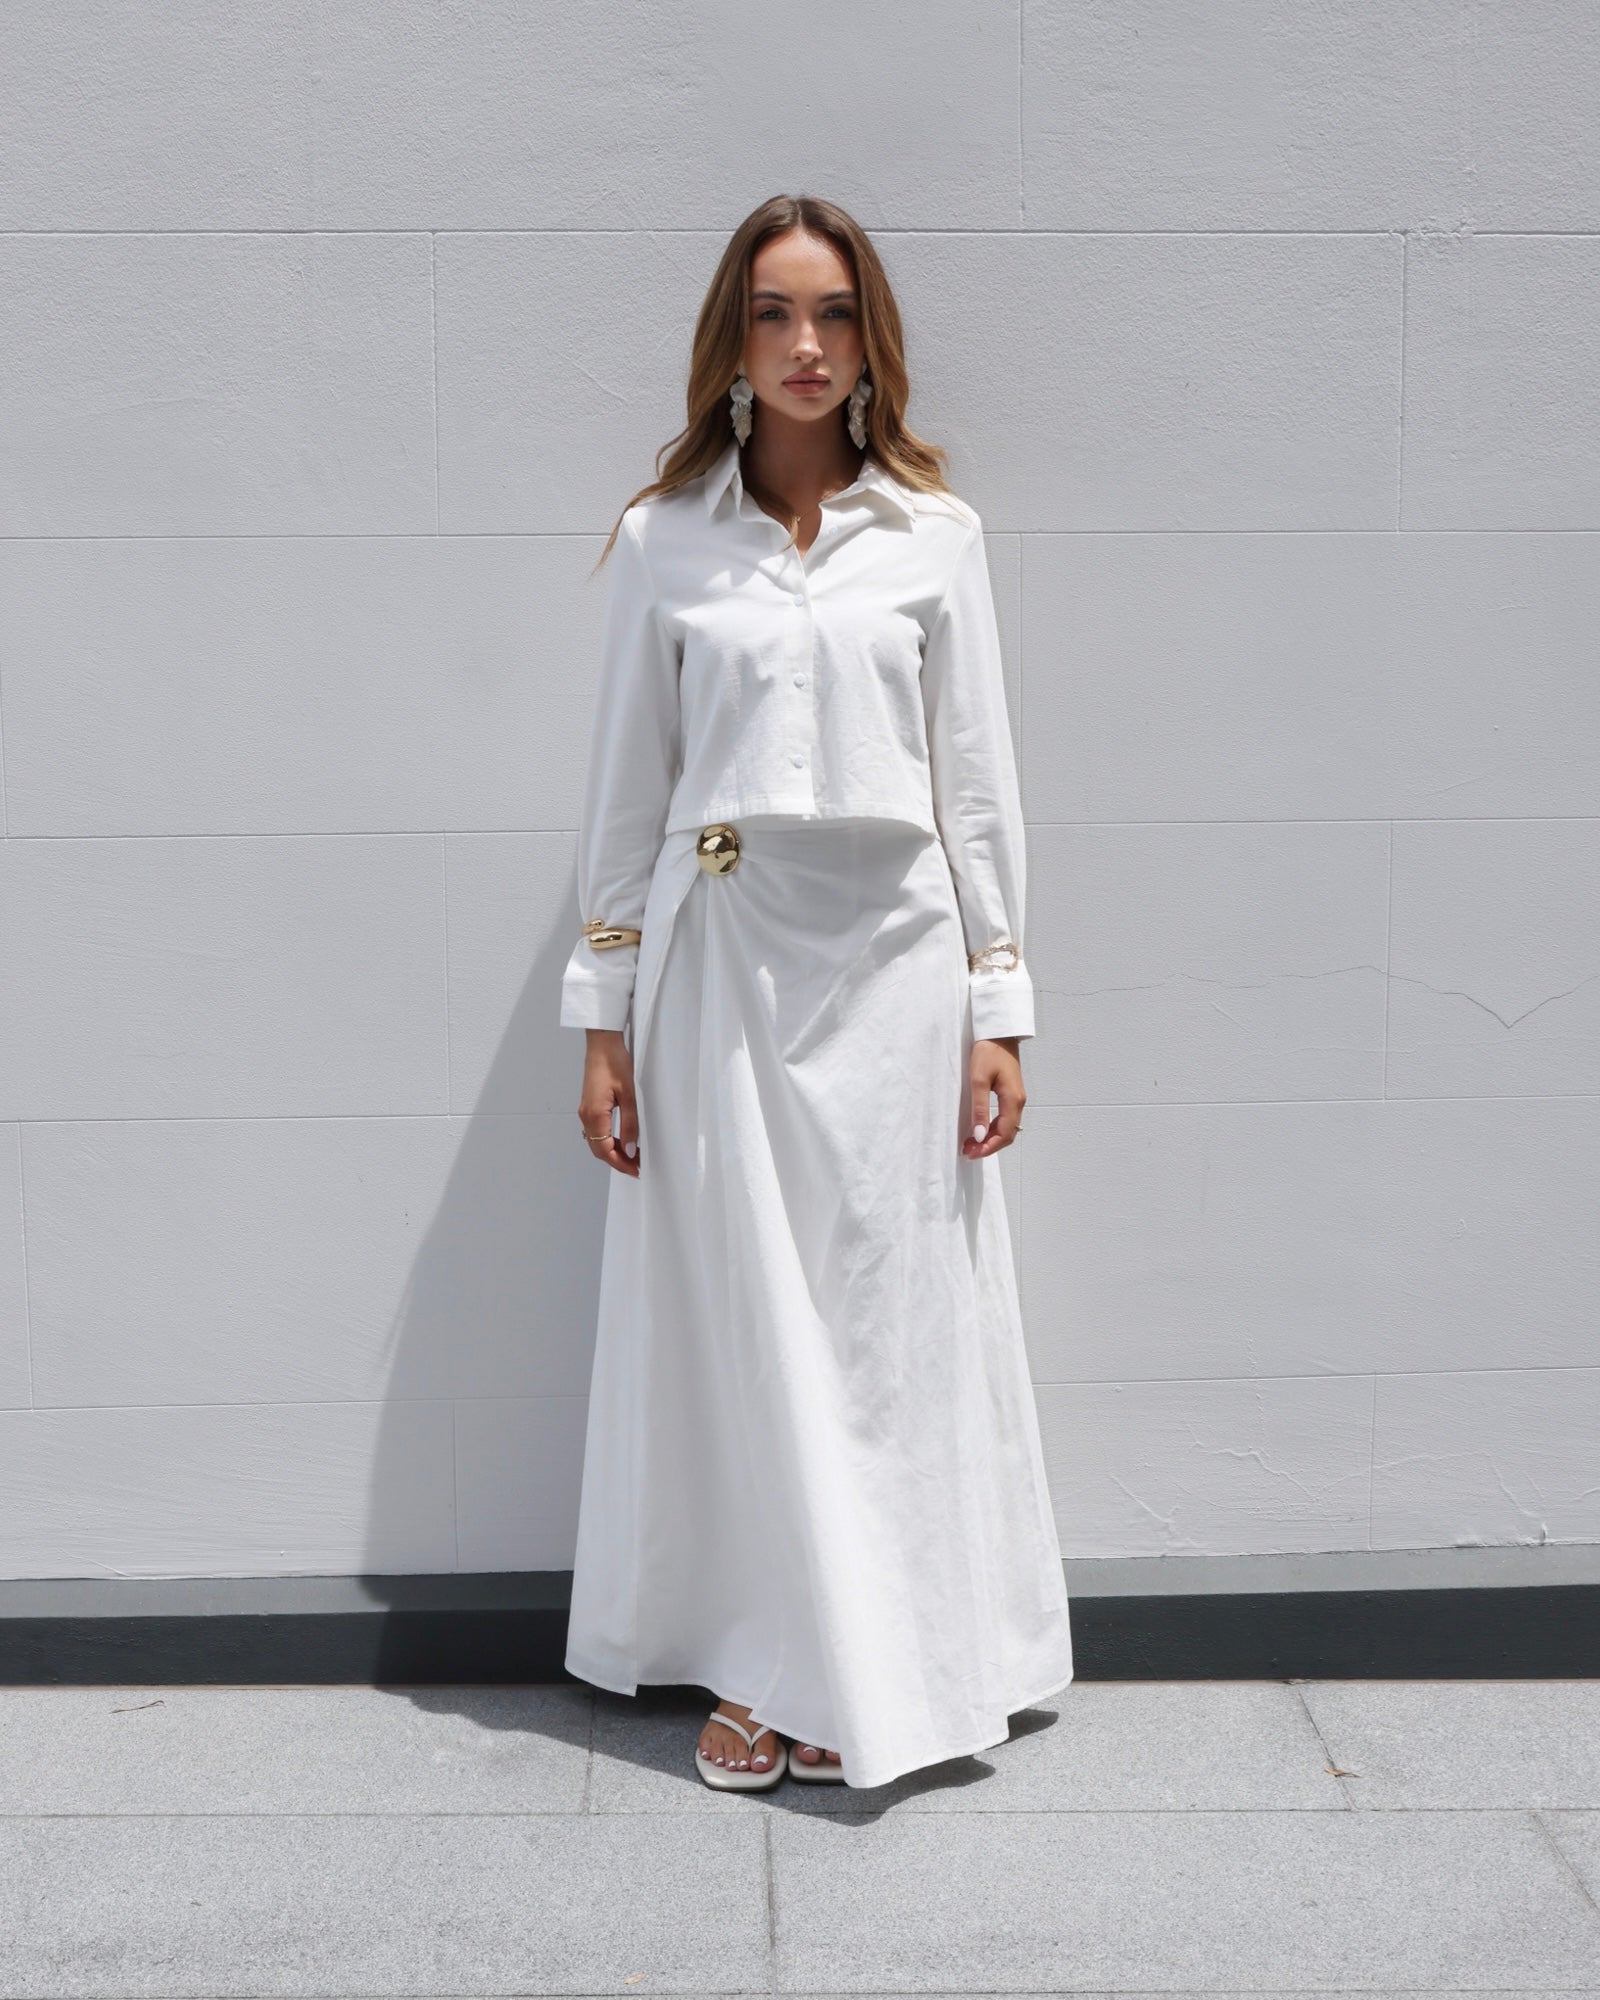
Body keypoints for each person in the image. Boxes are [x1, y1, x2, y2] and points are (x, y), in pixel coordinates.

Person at [559, 193, 1073, 1792]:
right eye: (776, 313)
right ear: (734, 338)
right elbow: (626, 792)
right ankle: (768, 1661)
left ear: (871, 340)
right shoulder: (667, 540)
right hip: (722, 966)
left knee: (885, 1316)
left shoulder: (936, 537)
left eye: (835, 313)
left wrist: (999, 1002)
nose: (805, 345)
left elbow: (975, 786)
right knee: (747, 1322)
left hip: (897, 973)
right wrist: (601, 1019)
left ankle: (891, 1656)